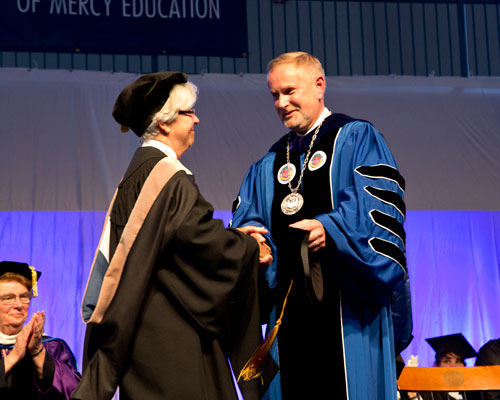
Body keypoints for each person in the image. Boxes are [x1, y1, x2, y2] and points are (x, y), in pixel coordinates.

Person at [71, 71, 271, 400]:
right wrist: (247, 246)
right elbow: (202, 244)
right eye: (189, 112)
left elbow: (179, 245)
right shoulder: (168, 177)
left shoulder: (138, 173)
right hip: (172, 342)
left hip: (143, 339)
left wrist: (233, 237)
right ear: (165, 123)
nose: (197, 119)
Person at [232, 51, 411, 400]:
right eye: (274, 95)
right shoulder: (268, 164)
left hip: (349, 315)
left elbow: (375, 210)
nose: (281, 103)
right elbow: (249, 217)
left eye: (289, 91)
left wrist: (330, 229)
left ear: (319, 86)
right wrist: (252, 241)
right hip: (287, 320)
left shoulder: (357, 138)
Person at [0, 261, 80, 399]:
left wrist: (38, 352)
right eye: (8, 298)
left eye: (24, 297)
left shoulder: (53, 347)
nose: (18, 305)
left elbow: (75, 392)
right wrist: (13, 357)